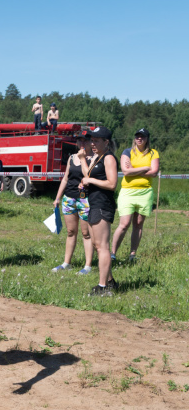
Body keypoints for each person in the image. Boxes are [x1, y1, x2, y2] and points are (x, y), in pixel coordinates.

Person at [79, 126, 118, 296]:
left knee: (102, 247)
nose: (92, 143)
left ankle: (103, 287)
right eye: (91, 140)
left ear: (106, 142)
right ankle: (110, 282)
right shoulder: (98, 157)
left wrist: (91, 180)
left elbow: (111, 184)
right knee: (97, 245)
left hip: (103, 205)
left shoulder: (109, 158)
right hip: (95, 203)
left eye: (96, 140)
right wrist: (86, 181)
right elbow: (89, 175)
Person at [111, 128, 160, 262]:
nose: (139, 139)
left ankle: (132, 254)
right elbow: (126, 172)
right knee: (124, 223)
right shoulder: (127, 152)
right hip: (128, 191)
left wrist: (134, 169)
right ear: (134, 138)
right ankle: (112, 253)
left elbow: (154, 172)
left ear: (147, 139)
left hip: (145, 192)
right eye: (137, 136)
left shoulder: (153, 153)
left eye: (142, 137)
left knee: (138, 224)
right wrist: (144, 168)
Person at [51, 134, 94, 275]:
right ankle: (66, 263)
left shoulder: (93, 158)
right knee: (70, 232)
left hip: (85, 199)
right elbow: (65, 179)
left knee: (86, 233)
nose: (82, 142)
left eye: (85, 140)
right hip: (69, 198)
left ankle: (88, 266)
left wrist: (82, 159)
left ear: (90, 142)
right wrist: (58, 197)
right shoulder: (71, 158)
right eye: (79, 140)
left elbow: (87, 176)